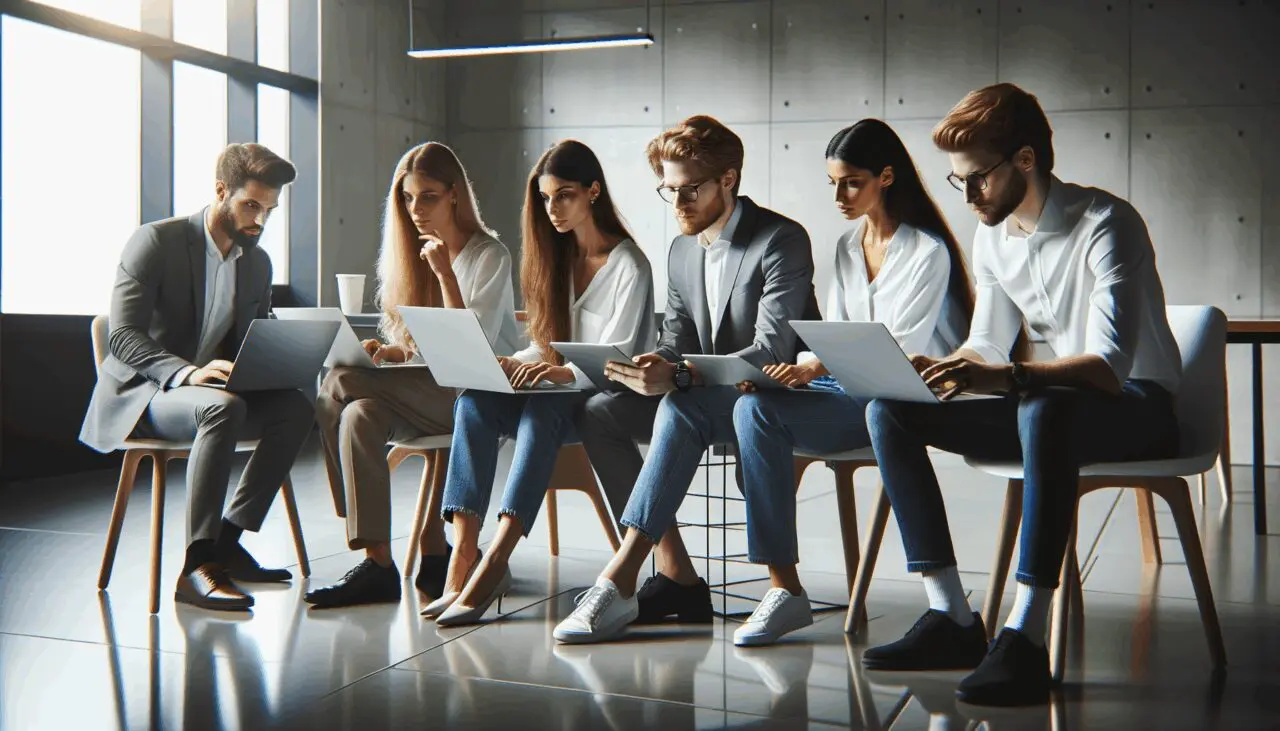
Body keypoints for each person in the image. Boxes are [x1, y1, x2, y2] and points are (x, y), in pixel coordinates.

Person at [859, 83, 1182, 707]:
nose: (968, 196)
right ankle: (951, 616)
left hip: (1140, 408)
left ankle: (1027, 636)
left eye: (977, 178)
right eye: (958, 181)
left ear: (1026, 160)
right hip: (1047, 409)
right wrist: (945, 367)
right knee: (889, 412)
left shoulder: (1107, 224)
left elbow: (1109, 368)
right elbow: (987, 342)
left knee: (1044, 405)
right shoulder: (992, 236)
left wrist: (1008, 378)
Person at [550, 115, 819, 644]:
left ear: (728, 179)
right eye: (668, 190)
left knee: (679, 404)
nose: (677, 203)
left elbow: (771, 351)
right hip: (701, 396)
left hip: (768, 396)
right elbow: (676, 337)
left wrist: (678, 374)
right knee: (600, 412)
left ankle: (620, 577)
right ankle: (676, 574)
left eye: (689, 189)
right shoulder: (681, 250)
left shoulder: (780, 240)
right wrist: (653, 361)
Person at [728, 118, 975, 646]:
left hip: (900, 396)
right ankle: (783, 588)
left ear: (886, 176)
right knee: (752, 406)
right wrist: (799, 372)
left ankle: (944, 608)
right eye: (834, 184)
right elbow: (836, 334)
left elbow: (896, 349)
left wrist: (812, 367)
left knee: (772, 408)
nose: (839, 196)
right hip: (847, 388)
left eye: (852, 183)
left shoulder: (927, 251)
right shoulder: (845, 246)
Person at [425, 140, 657, 626]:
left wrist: (560, 373)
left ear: (593, 191)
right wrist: (514, 362)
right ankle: (463, 555)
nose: (553, 209)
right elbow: (546, 343)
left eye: (564, 195)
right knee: (474, 403)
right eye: (546, 198)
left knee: (544, 406)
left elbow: (617, 358)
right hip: (554, 394)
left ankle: (496, 560)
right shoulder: (557, 258)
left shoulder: (630, 265)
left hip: (602, 403)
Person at [80, 143, 309, 611]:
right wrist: (187, 372)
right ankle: (196, 566)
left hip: (212, 393)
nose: (260, 220)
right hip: (146, 393)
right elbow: (121, 336)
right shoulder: (154, 242)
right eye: (251, 205)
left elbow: (253, 335)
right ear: (221, 191)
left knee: (296, 408)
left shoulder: (256, 261)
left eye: (269, 210)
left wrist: (288, 356)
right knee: (222, 408)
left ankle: (226, 544)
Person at [304, 142, 521, 609]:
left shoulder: (489, 255)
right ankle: (378, 563)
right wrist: (391, 352)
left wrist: (445, 275)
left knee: (338, 381)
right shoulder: (412, 253)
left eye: (428, 197)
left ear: (454, 195)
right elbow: (420, 348)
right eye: (407, 198)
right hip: (427, 392)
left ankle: (349, 511)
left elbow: (467, 347)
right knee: (359, 414)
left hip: (476, 397)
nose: (416, 209)